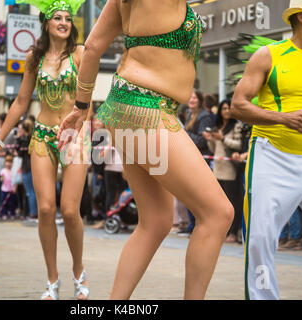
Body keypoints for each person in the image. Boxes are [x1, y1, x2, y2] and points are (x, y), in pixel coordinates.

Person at [58, 0, 234, 299]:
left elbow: (92, 47)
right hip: (148, 109)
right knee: (218, 213)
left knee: (155, 222)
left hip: (124, 106)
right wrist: (80, 108)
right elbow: (91, 48)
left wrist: (81, 106)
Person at [231, 0, 302, 299]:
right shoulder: (269, 55)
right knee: (259, 240)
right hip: (271, 156)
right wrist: (283, 118)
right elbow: (238, 105)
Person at [0, 0, 90, 300]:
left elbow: (88, 102)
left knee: (70, 211)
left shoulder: (81, 53)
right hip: (42, 136)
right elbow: (20, 102)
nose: (64, 22)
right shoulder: (35, 56)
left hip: (75, 137)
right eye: (57, 17)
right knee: (45, 209)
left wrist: (75, 130)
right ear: (46, 22)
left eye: (68, 18)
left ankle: (79, 273)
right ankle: (52, 281)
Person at [203, 99, 243, 243]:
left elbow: (239, 145)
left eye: (229, 108)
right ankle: (223, 231)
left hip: (230, 170)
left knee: (232, 202)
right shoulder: (218, 126)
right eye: (224, 108)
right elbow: (214, 150)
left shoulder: (236, 126)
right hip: (218, 169)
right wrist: (210, 140)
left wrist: (223, 138)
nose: (226, 111)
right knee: (219, 202)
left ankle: (233, 231)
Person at [15, 119, 38, 219]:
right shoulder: (34, 138)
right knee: (32, 191)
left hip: (27, 167)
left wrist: (18, 139)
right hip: (32, 166)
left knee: (30, 191)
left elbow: (20, 153)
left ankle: (33, 212)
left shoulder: (25, 140)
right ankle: (32, 212)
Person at [0, 155, 18, 220]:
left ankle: (13, 213)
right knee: (4, 203)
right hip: (5, 189)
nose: (9, 164)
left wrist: (15, 187)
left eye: (10, 162)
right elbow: (1, 179)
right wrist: (2, 179)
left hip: (12, 190)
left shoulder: (13, 171)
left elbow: (16, 180)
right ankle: (4, 213)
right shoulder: (3, 171)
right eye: (7, 162)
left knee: (12, 203)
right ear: (5, 163)